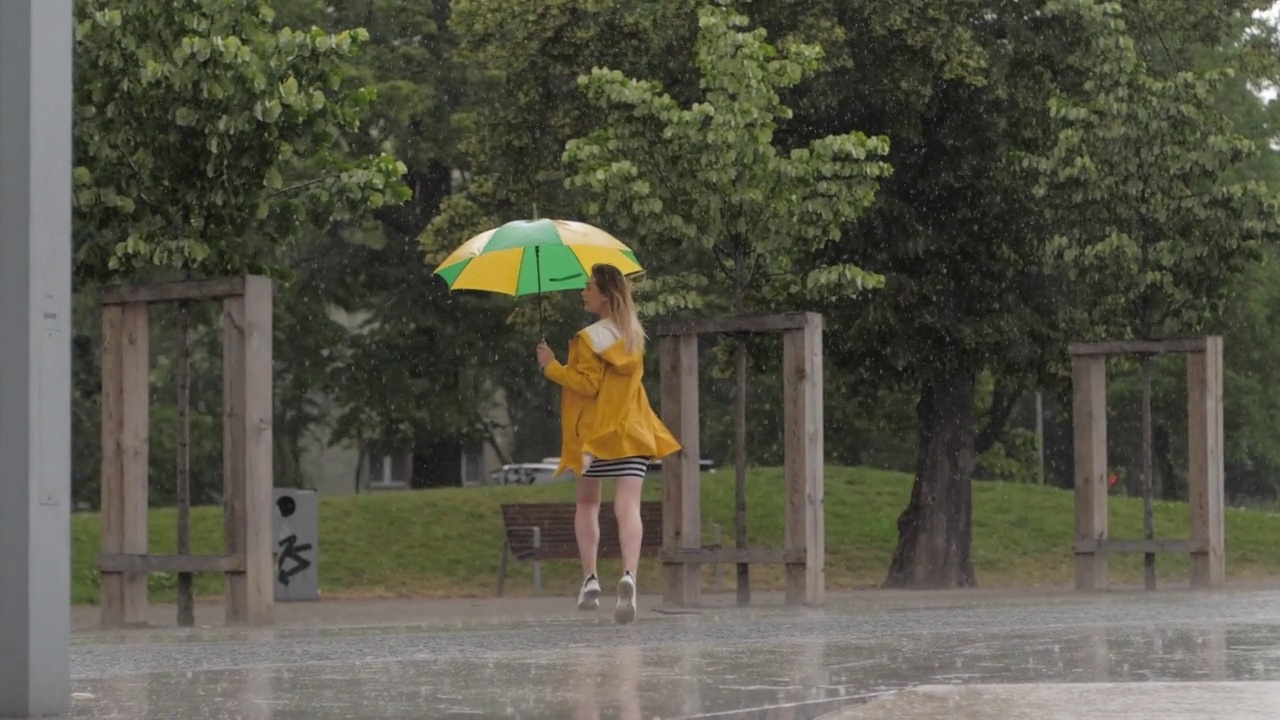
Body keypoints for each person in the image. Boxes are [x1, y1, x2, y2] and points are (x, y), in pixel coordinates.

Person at [536, 263, 680, 625]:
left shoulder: (589, 339)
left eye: (588, 287)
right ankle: (629, 574)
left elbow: (587, 386)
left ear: (603, 294)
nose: (583, 293)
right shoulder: (633, 336)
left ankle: (590, 580)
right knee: (628, 507)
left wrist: (552, 365)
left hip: (596, 437)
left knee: (587, 504)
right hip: (632, 432)